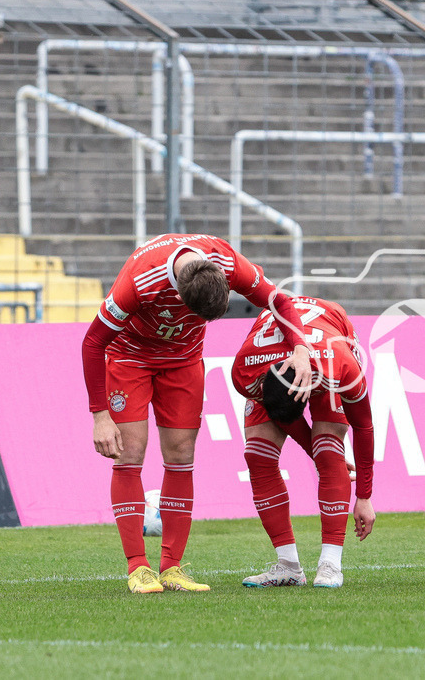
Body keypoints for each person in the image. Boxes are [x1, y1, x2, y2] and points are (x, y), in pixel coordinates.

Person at [82, 233, 315, 594]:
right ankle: (138, 568)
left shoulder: (227, 261)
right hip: (131, 358)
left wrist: (300, 348)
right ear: (177, 296)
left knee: (181, 455)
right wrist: (99, 414)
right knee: (129, 454)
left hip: (183, 363)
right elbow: (93, 342)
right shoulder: (139, 282)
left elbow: (278, 299)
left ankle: (172, 568)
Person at [230, 295, 375, 588]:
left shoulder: (343, 369)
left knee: (328, 447)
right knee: (257, 454)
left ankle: (331, 565)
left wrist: (364, 496)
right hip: (270, 358)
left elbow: (363, 426)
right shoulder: (244, 370)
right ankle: (288, 566)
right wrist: (310, 450)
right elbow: (281, 413)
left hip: (330, 337)